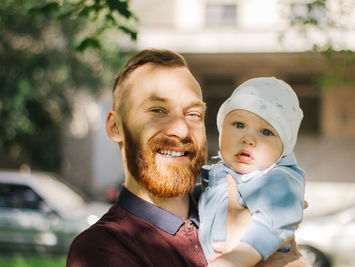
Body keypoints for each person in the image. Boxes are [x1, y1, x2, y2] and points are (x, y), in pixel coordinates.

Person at [66, 49, 310, 267]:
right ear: (115, 126)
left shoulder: (230, 202)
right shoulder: (102, 249)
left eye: (193, 114)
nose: (181, 130)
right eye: (158, 111)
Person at [198, 77, 305, 267]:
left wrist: (236, 259)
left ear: (284, 148)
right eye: (239, 125)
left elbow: (274, 221)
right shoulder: (220, 177)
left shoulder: (276, 178)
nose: (249, 139)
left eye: (266, 132)